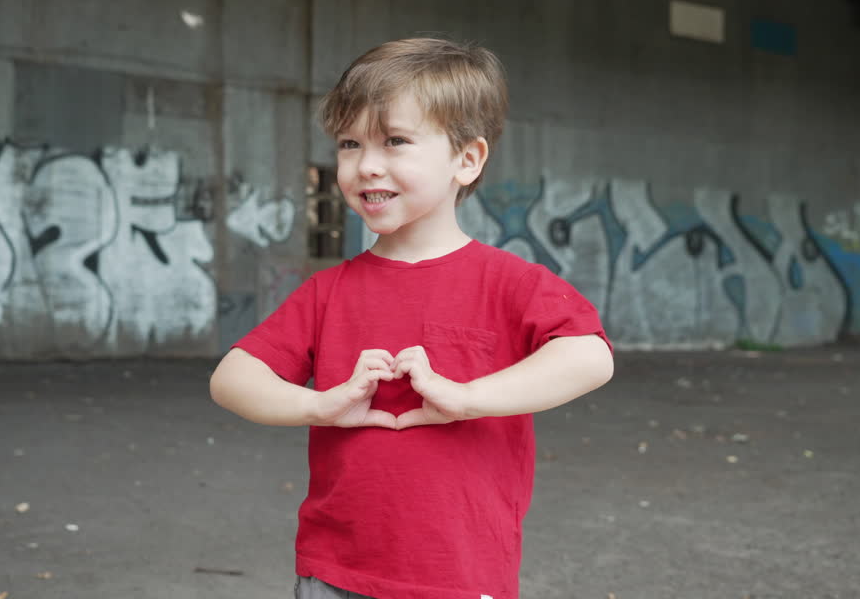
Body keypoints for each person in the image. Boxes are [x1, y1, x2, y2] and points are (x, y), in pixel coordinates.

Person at [209, 37, 614, 599]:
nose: (365, 165)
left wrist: (466, 397)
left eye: (395, 141)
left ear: (466, 160)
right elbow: (232, 378)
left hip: (460, 576)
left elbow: (589, 355)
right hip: (333, 572)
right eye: (349, 144)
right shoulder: (329, 292)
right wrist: (318, 406)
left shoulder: (509, 283)